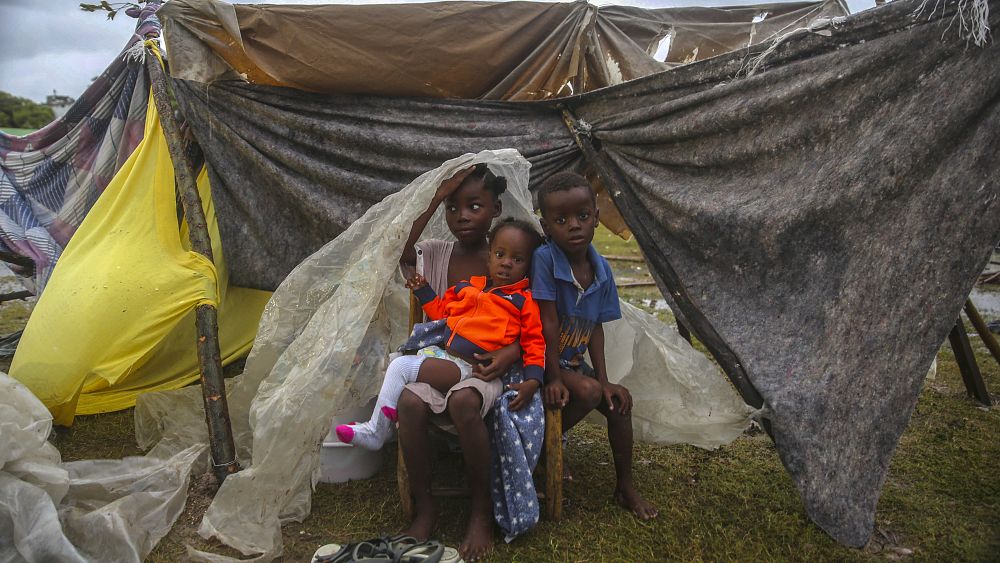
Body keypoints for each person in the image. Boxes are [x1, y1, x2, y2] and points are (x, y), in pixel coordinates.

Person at [395, 163, 532, 561]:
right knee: (409, 401)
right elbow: (401, 249)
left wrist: (511, 353)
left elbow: (534, 321)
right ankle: (426, 507)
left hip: (487, 371)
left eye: (474, 206)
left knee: (463, 401)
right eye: (453, 209)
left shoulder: (510, 254)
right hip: (442, 361)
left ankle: (480, 510)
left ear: (495, 208)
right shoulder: (438, 254)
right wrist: (437, 195)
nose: (462, 217)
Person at [335, 217, 545, 450]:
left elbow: (535, 342)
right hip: (445, 355)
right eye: (500, 255)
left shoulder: (523, 302)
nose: (506, 263)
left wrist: (534, 380)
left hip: (469, 368)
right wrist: (424, 291)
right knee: (390, 362)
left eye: (517, 259)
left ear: (528, 266)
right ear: (489, 258)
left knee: (400, 367)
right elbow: (443, 315)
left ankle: (376, 431)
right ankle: (383, 426)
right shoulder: (468, 288)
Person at [532, 171, 659, 520]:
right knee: (586, 392)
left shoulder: (601, 270)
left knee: (617, 402)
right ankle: (544, 446)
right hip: (539, 361)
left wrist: (605, 380)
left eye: (582, 216)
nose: (574, 225)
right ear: (546, 226)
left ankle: (625, 486)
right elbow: (548, 323)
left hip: (572, 364)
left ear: (597, 217)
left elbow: (595, 329)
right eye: (561, 220)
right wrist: (554, 377)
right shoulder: (544, 259)